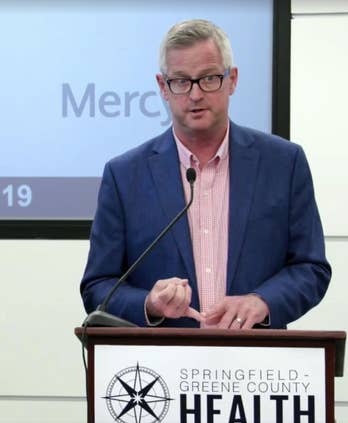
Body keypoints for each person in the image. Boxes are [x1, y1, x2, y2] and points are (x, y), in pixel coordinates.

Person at [80, 19, 330, 329]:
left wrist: (263, 301)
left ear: (232, 79)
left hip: (257, 362)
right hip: (163, 365)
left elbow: (311, 267)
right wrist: (149, 304)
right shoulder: (124, 175)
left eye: (209, 78)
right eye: (181, 81)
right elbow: (98, 285)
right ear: (163, 87)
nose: (195, 94)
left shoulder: (283, 163)